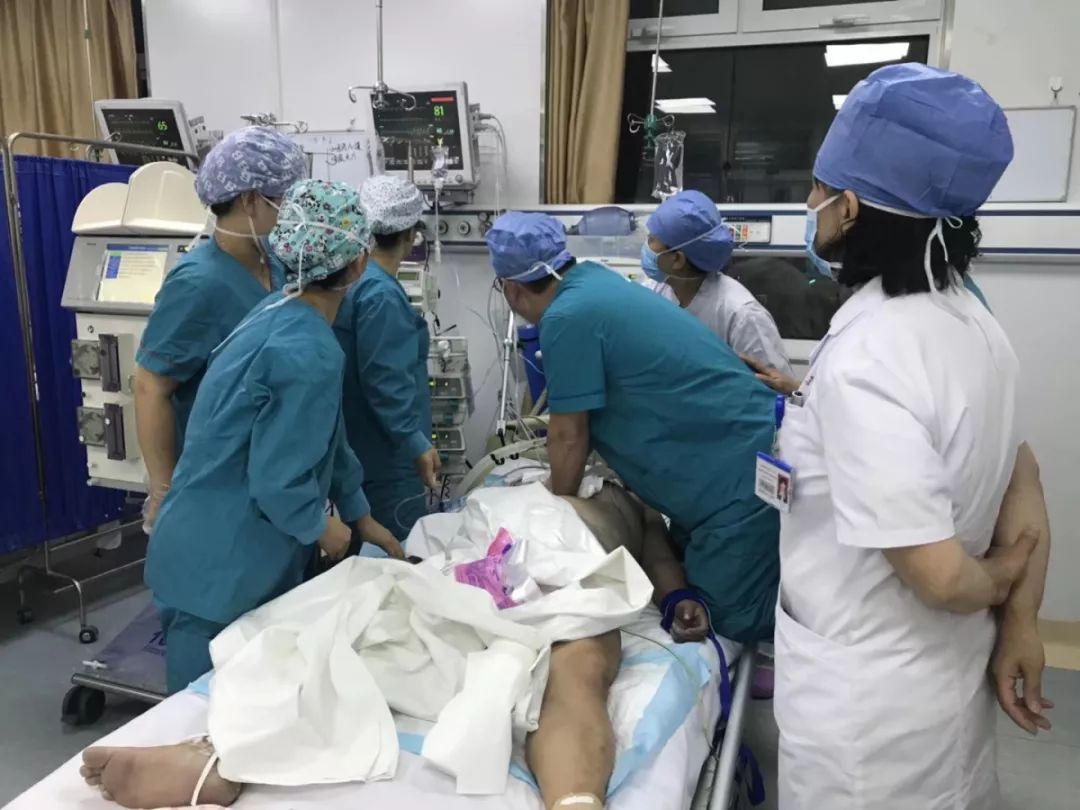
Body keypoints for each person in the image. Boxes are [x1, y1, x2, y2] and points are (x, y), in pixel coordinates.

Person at [772, 63, 1052, 809]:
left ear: (850, 207)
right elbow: (1023, 480)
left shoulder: (871, 354)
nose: (809, 206)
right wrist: (1020, 619)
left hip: (867, 714)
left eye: (818, 189)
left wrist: (997, 581)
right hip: (939, 678)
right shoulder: (974, 321)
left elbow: (942, 578)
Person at [81, 483, 703, 810]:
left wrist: (676, 598)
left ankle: (225, 754)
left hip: (567, 561)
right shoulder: (534, 483)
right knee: (388, 619)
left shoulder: (640, 506)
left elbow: (658, 565)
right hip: (488, 549)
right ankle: (221, 756)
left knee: (574, 657)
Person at [145, 179, 403, 695]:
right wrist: (326, 530)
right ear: (358, 265)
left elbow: (329, 434)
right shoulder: (307, 352)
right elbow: (277, 484)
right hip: (221, 566)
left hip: (210, 543)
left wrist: (359, 511)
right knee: (205, 716)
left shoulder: (277, 315)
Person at [488, 214, 778, 635]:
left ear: (512, 289)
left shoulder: (567, 316)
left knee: (735, 616)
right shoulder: (595, 283)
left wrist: (557, 514)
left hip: (733, 478)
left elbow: (569, 435)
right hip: (729, 461)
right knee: (696, 572)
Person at [134, 126, 307, 530]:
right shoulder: (197, 282)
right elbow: (150, 387)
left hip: (272, 466)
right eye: (284, 198)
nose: (293, 210)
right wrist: (164, 490)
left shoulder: (274, 261)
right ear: (250, 200)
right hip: (218, 475)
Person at [334, 175, 438, 547]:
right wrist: (415, 443)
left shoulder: (356, 280)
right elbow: (385, 382)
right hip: (388, 458)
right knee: (397, 556)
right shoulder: (380, 295)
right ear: (411, 235)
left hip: (362, 447)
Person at [641, 190, 793, 376]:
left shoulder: (742, 316)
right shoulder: (653, 292)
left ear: (677, 260)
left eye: (651, 240)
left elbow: (775, 387)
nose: (646, 247)